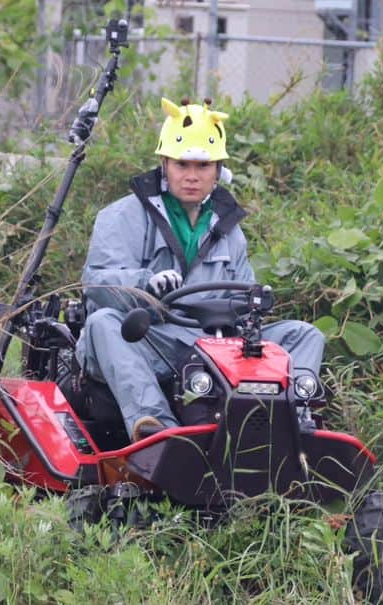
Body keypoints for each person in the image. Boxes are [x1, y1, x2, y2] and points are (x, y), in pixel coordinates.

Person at [75, 97, 325, 442]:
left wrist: (253, 303)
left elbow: (243, 294)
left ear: (218, 170)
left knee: (305, 334)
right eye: (182, 164)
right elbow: (96, 285)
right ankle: (157, 428)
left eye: (203, 167)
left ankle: (293, 420)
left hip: (214, 343)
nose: (192, 176)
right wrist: (145, 286)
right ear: (164, 164)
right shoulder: (122, 216)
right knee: (101, 323)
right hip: (152, 338)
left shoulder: (230, 229)